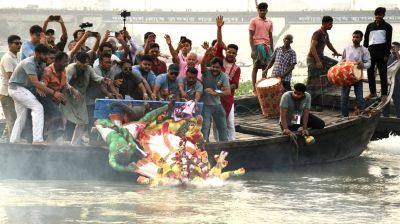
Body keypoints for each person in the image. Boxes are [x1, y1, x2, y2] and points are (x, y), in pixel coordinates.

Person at [8, 44, 65, 144]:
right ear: (37, 54)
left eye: (48, 55)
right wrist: (54, 93)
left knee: (21, 116)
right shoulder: (29, 63)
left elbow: (41, 80)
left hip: (23, 90)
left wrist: (42, 86)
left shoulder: (42, 64)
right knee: (38, 108)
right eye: (45, 55)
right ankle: (37, 139)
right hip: (17, 88)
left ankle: (14, 140)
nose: (47, 57)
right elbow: (35, 82)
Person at [60, 52, 110, 145]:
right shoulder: (71, 68)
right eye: (83, 62)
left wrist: (103, 79)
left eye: (87, 62)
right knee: (63, 118)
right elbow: (64, 82)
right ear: (77, 61)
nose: (85, 64)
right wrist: (72, 89)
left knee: (83, 121)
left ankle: (74, 144)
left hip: (80, 98)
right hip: (67, 96)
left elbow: (95, 77)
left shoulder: (89, 68)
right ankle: (58, 140)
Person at [39, 52, 76, 143]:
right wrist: (54, 93)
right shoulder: (48, 70)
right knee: (56, 114)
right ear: (57, 61)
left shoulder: (63, 71)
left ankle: (50, 139)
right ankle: (52, 138)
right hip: (44, 97)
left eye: (67, 61)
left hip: (54, 98)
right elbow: (42, 87)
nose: (66, 64)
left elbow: (63, 85)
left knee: (57, 116)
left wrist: (61, 98)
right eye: (64, 62)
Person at [214, 15, 241, 141]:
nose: (230, 54)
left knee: (230, 123)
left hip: (228, 98)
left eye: (233, 53)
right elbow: (219, 43)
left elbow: (235, 84)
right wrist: (219, 28)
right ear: (226, 52)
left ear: (236, 54)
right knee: (216, 123)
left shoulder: (237, 68)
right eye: (228, 52)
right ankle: (219, 143)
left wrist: (224, 89)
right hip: (216, 98)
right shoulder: (220, 60)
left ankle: (232, 142)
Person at [200, 47, 231, 142]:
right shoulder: (206, 71)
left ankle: (225, 146)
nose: (215, 69)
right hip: (205, 105)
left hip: (217, 104)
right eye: (213, 66)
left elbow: (228, 92)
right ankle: (204, 146)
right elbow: (202, 64)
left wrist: (215, 92)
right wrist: (206, 54)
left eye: (217, 67)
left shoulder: (224, 76)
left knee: (223, 127)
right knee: (205, 127)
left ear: (221, 68)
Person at [306, 16, 341, 99]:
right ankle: (309, 99)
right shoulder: (317, 33)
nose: (331, 25)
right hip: (312, 59)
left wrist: (335, 52)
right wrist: (318, 61)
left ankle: (327, 87)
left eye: (332, 24)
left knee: (336, 65)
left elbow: (328, 44)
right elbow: (312, 47)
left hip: (321, 57)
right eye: (330, 24)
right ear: (324, 23)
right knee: (312, 79)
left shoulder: (325, 33)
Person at [363, 7, 393, 101]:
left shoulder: (387, 26)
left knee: (382, 74)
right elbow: (366, 40)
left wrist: (386, 55)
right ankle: (373, 93)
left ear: (383, 15)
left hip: (382, 54)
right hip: (371, 53)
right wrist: (364, 52)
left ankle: (384, 94)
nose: (378, 16)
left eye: (380, 15)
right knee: (370, 73)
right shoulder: (370, 26)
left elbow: (388, 41)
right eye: (376, 15)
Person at [340, 30, 371, 117]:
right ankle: (344, 117)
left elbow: (369, 64)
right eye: (353, 37)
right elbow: (342, 61)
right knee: (343, 99)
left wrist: (363, 65)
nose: (355, 39)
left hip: (358, 77)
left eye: (357, 37)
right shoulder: (346, 49)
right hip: (346, 77)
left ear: (361, 39)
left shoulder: (364, 50)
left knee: (360, 99)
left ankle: (361, 116)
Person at [249, 2, 274, 92]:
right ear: (258, 11)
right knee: (255, 67)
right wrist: (253, 50)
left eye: (264, 10)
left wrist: (272, 49)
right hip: (257, 46)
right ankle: (254, 88)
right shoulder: (254, 21)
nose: (262, 12)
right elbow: (251, 36)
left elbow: (270, 36)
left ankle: (263, 86)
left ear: (267, 10)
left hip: (267, 47)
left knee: (265, 67)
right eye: (261, 10)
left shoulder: (270, 22)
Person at [0, 35, 21, 139]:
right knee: (11, 119)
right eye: (16, 43)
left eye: (20, 43)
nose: (19, 45)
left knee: (13, 118)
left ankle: (6, 139)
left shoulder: (14, 57)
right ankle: (12, 143)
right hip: (7, 94)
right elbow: (10, 77)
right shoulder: (8, 58)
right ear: (9, 45)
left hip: (12, 93)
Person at [383, 42, 400, 118]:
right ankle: (385, 116)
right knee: (385, 100)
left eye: (395, 47)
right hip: (387, 82)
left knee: (397, 100)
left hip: (396, 83)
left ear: (399, 48)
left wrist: (397, 54)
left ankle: (399, 117)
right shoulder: (387, 58)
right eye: (392, 47)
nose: (393, 48)